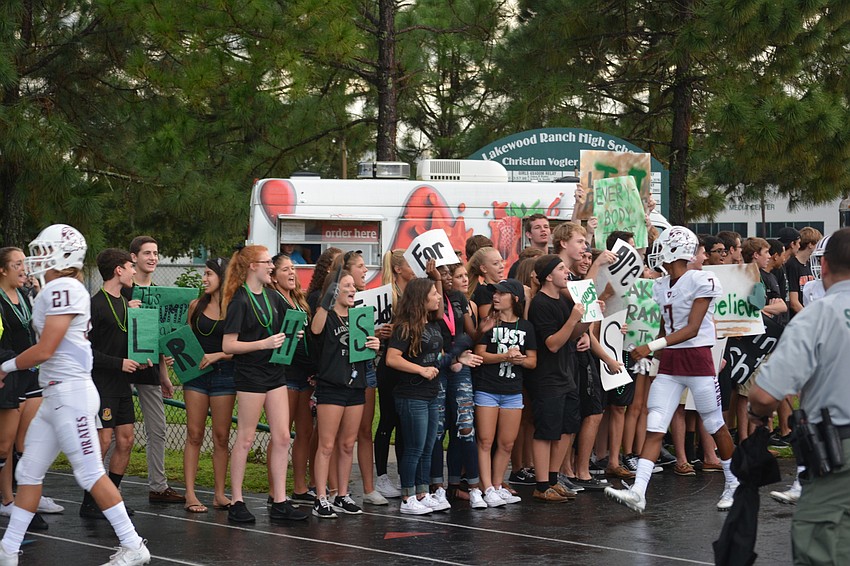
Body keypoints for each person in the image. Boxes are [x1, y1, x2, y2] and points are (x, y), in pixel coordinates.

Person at [0, 224, 150, 565]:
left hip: (71, 394)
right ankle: (8, 549)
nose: (35, 259)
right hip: (57, 395)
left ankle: (132, 544)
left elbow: (45, 348)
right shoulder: (58, 287)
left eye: (42, 251)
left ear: (62, 253)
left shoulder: (64, 287)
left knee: (88, 472)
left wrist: (5, 367)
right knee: (29, 474)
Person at [604, 227, 738, 514]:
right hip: (671, 363)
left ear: (676, 250)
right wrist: (655, 355)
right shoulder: (661, 284)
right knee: (655, 424)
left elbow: (691, 328)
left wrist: (651, 347)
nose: (656, 251)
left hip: (698, 360)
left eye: (662, 245)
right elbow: (667, 325)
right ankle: (639, 491)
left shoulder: (701, 279)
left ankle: (734, 482)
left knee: (714, 424)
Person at [748, 228, 850, 565]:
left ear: (828, 265)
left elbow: (764, 394)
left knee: (819, 541)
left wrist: (756, 413)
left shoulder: (818, 316)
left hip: (838, 448)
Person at [221, 245, 308, 523]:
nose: (271, 266)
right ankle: (236, 499)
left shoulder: (272, 296)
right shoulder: (239, 301)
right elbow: (228, 344)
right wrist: (264, 343)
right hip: (250, 375)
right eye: (266, 262)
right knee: (246, 438)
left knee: (282, 436)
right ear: (251, 266)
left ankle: (280, 500)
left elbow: (284, 329)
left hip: (274, 373)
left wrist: (294, 333)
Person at [386, 278, 481, 515]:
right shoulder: (405, 327)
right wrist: (420, 370)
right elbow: (392, 358)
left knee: (429, 446)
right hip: (412, 394)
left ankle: (423, 492)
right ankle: (408, 496)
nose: (439, 297)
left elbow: (437, 360)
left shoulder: (433, 326)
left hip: (430, 393)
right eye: (434, 294)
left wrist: (459, 359)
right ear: (421, 298)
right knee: (414, 447)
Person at [82, 249, 151, 520]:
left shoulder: (126, 303)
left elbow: (128, 345)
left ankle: (110, 497)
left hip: (122, 384)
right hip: (100, 383)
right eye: (130, 266)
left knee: (126, 440)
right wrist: (118, 363)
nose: (135, 271)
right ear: (118, 271)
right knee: (103, 441)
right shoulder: (94, 305)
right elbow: (86, 351)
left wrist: (140, 360)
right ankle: (91, 501)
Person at [310, 270, 380, 518]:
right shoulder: (326, 316)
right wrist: (325, 302)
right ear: (334, 291)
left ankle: (342, 493)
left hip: (356, 385)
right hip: (332, 385)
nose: (353, 289)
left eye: (354, 286)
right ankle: (321, 497)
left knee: (348, 444)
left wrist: (375, 345)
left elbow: (365, 351)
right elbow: (315, 330)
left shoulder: (358, 316)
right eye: (347, 285)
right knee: (327, 444)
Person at [124, 236, 184, 504]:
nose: (152, 258)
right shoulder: (124, 291)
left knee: (157, 429)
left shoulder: (160, 293)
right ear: (133, 257)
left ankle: (158, 486)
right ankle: (104, 486)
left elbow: (160, 338)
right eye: (147, 253)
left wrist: (164, 374)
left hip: (149, 369)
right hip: (122, 368)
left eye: (156, 253)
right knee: (117, 430)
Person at [0, 248, 57, 529]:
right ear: (3, 270)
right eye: (18, 263)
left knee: (28, 439)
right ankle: (8, 499)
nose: (24, 268)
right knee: (5, 442)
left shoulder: (25, 295)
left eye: (25, 263)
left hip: (30, 373)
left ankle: (29, 494)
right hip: (10, 373)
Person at [526, 254, 587, 502]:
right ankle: (541, 485)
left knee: (565, 428)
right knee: (546, 431)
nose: (567, 273)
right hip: (547, 377)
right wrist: (573, 319)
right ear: (548, 276)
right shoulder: (541, 304)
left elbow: (571, 336)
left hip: (565, 373)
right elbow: (552, 343)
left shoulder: (562, 300)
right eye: (562, 269)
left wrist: (587, 318)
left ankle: (552, 479)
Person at [473, 279, 537, 507]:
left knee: (507, 444)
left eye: (502, 293)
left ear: (515, 299)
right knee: (485, 440)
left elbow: (533, 362)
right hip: (487, 389)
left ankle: (498, 485)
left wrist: (520, 360)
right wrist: (504, 356)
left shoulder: (526, 327)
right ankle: (487, 486)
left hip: (512, 391)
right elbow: (480, 355)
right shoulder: (489, 323)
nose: (496, 297)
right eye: (495, 293)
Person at [183, 258, 235, 513]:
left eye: (209, 274)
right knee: (194, 434)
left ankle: (219, 494)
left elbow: (238, 348)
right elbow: (183, 338)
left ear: (222, 277)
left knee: (221, 437)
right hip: (196, 374)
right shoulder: (195, 306)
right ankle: (190, 494)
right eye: (204, 274)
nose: (204, 279)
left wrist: (219, 355)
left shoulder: (235, 308)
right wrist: (174, 355)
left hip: (225, 374)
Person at [270, 254, 317, 507]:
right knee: (282, 433)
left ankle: (300, 487)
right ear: (273, 275)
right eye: (285, 269)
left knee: (305, 431)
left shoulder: (299, 300)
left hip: (304, 374)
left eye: (293, 269)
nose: (291, 273)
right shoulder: (274, 300)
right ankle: (274, 490)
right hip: (285, 373)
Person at [374, 250, 415, 499]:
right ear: (399, 269)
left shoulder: (411, 292)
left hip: (406, 363)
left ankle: (402, 473)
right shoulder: (386, 294)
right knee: (388, 420)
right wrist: (379, 334)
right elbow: (370, 328)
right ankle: (380, 476)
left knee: (403, 422)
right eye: (410, 265)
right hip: (388, 364)